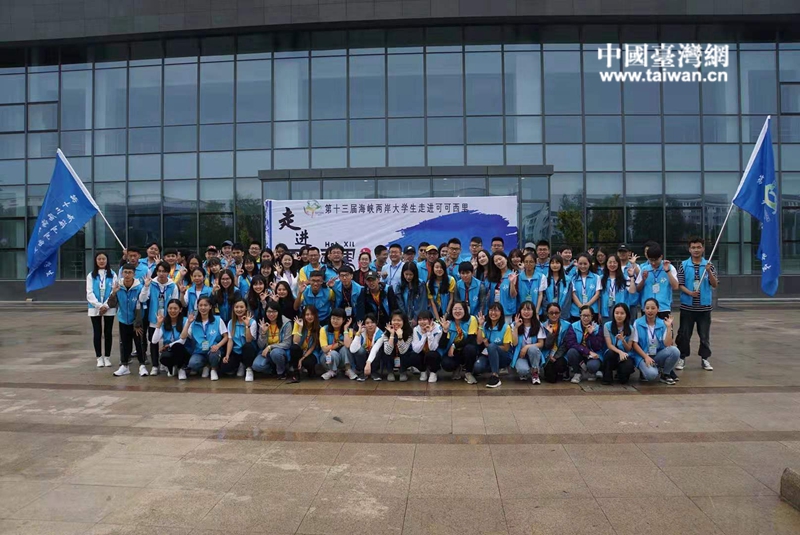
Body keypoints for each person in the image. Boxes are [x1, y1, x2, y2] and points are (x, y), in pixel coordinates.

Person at [675, 237, 718, 372]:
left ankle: (705, 358)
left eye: (699, 247)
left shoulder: (709, 265)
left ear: (703, 249)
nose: (696, 250)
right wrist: (690, 293)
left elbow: (714, 284)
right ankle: (682, 357)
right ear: (689, 249)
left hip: (704, 308)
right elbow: (680, 284)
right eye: (693, 247)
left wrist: (709, 271)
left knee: (704, 335)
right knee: (684, 334)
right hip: (687, 307)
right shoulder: (684, 265)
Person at [143, 261, 180, 375]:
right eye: (159, 271)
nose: (161, 273)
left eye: (164, 271)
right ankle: (155, 365)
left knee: (167, 340)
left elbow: (175, 302)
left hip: (168, 318)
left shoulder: (172, 286)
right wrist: (146, 286)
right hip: (154, 318)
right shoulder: (151, 283)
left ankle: (166, 363)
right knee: (153, 342)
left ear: (168, 272)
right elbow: (142, 299)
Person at [631, 298, 680, 385]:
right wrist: (646, 357)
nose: (650, 311)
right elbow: (634, 344)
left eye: (653, 308)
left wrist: (669, 327)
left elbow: (668, 344)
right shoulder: (637, 323)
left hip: (657, 355)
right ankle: (646, 369)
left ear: (658, 309)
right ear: (644, 309)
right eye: (647, 308)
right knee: (651, 375)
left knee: (675, 351)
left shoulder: (662, 323)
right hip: (643, 356)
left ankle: (665, 374)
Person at [112, 264, 149, 377]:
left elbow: (142, 301)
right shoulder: (118, 286)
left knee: (139, 343)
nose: (127, 275)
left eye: (130, 272)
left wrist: (137, 324)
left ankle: (142, 365)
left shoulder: (139, 287)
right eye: (125, 272)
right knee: (124, 343)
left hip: (137, 320)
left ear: (134, 274)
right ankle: (124, 366)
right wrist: (114, 293)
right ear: (122, 273)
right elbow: (111, 304)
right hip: (123, 320)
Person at [182, 296, 229, 381]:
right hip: (199, 351)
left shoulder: (218, 320)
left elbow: (226, 337)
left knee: (214, 354)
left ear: (210, 307)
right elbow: (183, 336)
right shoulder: (193, 322)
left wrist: (218, 346)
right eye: (200, 305)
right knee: (192, 363)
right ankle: (205, 366)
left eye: (205, 305)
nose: (203, 308)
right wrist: (188, 323)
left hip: (213, 350)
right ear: (197, 307)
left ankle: (213, 369)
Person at [87, 252, 118, 368]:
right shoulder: (91, 275)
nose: (101, 261)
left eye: (103, 259)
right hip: (94, 308)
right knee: (97, 332)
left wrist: (106, 305)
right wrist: (99, 306)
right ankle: (99, 357)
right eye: (99, 259)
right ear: (95, 261)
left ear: (107, 260)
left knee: (108, 332)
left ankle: (107, 357)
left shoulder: (113, 274)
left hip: (109, 307)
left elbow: (114, 291)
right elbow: (89, 293)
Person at [633, 244, 679, 319]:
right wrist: (643, 280)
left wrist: (667, 271)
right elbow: (638, 289)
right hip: (647, 308)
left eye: (656, 260)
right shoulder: (644, 269)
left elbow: (675, 286)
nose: (653, 263)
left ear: (661, 257)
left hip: (663, 308)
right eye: (651, 260)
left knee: (665, 326)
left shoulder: (669, 267)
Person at [473, 303, 513, 388]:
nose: (493, 313)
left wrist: (490, 346)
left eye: (496, 310)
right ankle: (494, 367)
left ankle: (495, 376)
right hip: (487, 355)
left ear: (501, 313)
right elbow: (479, 341)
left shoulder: (506, 327)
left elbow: (506, 348)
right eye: (491, 310)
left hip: (503, 356)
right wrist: (480, 325)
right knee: (477, 368)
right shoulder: (485, 325)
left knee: (492, 346)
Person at [439, 301, 479, 383]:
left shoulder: (472, 319)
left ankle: (468, 372)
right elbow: (442, 345)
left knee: (470, 348)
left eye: (460, 309)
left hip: (466, 349)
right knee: (446, 363)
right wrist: (445, 331)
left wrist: (454, 345)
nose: (457, 311)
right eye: (455, 309)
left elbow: (471, 339)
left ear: (465, 310)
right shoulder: (448, 322)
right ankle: (457, 367)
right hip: (453, 353)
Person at [564, 305, 605, 384]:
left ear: (592, 316)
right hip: (580, 353)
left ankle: (592, 372)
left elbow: (598, 346)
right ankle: (577, 373)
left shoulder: (597, 328)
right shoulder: (573, 326)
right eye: (583, 315)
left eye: (588, 316)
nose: (586, 318)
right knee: (571, 352)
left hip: (593, 355)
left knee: (593, 366)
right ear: (580, 316)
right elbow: (571, 343)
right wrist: (588, 352)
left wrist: (592, 334)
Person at [253, 300, 293, 378]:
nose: (271, 314)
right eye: (269, 312)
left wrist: (270, 347)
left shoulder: (286, 323)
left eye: (274, 311)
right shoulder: (263, 323)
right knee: (256, 366)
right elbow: (260, 346)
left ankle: (281, 371)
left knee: (275, 353)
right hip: (266, 352)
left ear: (279, 312)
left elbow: (287, 344)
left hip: (280, 351)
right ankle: (273, 369)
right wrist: (263, 333)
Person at [152, 298, 191, 379]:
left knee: (178, 346)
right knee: (164, 357)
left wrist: (169, 345)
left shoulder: (185, 321)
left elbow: (182, 340)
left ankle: (181, 369)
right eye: (170, 308)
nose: (172, 311)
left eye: (175, 308)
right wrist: (158, 324)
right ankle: (172, 367)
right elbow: (154, 341)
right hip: (170, 350)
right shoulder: (164, 322)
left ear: (180, 310)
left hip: (184, 350)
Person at [510, 301, 546, 384]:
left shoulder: (538, 325)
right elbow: (514, 343)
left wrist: (526, 347)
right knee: (522, 370)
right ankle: (526, 371)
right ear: (520, 311)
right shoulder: (513, 325)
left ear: (533, 312)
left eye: (529, 309)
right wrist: (516, 327)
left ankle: (535, 372)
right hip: (521, 356)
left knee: (533, 349)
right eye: (524, 309)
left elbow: (541, 344)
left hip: (534, 354)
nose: (526, 312)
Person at [375, 310, 416, 382]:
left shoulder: (409, 333)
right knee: (387, 348)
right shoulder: (386, 332)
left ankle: (403, 371)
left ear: (404, 321)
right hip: (391, 355)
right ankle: (390, 372)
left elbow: (403, 351)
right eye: (394, 320)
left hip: (403, 355)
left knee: (408, 352)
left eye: (399, 320)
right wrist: (392, 335)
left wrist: (400, 336)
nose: (396, 322)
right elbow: (387, 352)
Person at [602, 303, 637, 385]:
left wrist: (623, 340)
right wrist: (620, 352)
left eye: (622, 313)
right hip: (612, 353)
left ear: (626, 315)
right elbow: (609, 345)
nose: (619, 316)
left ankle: (621, 373)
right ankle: (607, 377)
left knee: (624, 379)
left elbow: (628, 348)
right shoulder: (607, 325)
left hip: (625, 355)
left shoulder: (631, 329)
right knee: (610, 353)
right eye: (616, 313)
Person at [319, 309, 358, 380]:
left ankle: (348, 369)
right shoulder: (324, 329)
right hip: (327, 358)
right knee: (332, 353)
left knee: (345, 349)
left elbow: (347, 345)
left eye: (338, 319)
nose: (335, 321)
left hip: (343, 359)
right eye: (333, 318)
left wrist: (345, 329)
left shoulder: (349, 330)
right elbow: (324, 349)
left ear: (343, 320)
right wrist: (340, 343)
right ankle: (332, 371)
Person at [288, 306, 322, 383]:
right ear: (303, 315)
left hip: (309, 352)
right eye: (307, 314)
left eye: (312, 314)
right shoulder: (298, 323)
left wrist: (302, 358)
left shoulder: (318, 327)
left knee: (308, 362)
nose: (309, 317)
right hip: (299, 350)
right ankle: (296, 372)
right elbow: (295, 342)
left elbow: (313, 346)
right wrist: (300, 327)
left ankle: (311, 371)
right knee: (294, 348)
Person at [346, 313, 384, 381]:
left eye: (372, 322)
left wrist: (368, 363)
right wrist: (358, 333)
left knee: (378, 351)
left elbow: (375, 349)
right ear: (364, 325)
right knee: (360, 351)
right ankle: (362, 372)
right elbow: (352, 349)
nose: (370, 325)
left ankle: (374, 372)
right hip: (364, 356)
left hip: (373, 357)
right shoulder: (362, 332)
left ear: (376, 323)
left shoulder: (380, 334)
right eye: (367, 323)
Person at [540, 303, 570, 383]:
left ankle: (564, 371)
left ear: (560, 313)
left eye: (556, 313)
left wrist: (556, 356)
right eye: (551, 313)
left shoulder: (567, 325)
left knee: (560, 365)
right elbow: (546, 346)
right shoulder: (542, 326)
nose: (554, 315)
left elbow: (565, 344)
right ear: (547, 313)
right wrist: (550, 335)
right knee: (551, 379)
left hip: (561, 354)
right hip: (547, 355)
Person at [485, 251, 518, 323]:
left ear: (506, 258)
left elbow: (513, 295)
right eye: (496, 261)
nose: (499, 262)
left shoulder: (513, 274)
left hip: (506, 310)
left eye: (500, 259)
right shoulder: (492, 276)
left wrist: (512, 283)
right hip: (493, 310)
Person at [410, 310, 442, 383]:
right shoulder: (416, 329)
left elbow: (433, 348)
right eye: (420, 320)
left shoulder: (438, 329)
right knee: (413, 355)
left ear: (431, 320)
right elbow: (416, 349)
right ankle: (423, 371)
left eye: (425, 319)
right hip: (422, 351)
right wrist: (424, 335)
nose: (422, 322)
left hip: (434, 353)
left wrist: (429, 333)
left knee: (432, 354)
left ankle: (433, 372)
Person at [570, 253, 602, 322]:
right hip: (576, 312)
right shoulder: (573, 278)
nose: (583, 266)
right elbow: (573, 294)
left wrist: (587, 306)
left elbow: (597, 294)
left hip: (592, 311)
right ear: (577, 264)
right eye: (580, 264)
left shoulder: (596, 277)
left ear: (589, 264)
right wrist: (581, 307)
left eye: (585, 264)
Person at [599, 254, 629, 324]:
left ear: (618, 264)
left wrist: (632, 276)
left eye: (614, 262)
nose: (612, 264)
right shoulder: (601, 278)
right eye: (610, 262)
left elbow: (632, 291)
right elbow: (599, 297)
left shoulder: (625, 278)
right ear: (606, 264)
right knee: (606, 328)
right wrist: (599, 312)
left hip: (620, 309)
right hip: (605, 309)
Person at [541, 255, 572, 320]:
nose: (555, 265)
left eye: (557, 263)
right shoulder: (545, 279)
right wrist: (549, 312)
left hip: (563, 314)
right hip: (548, 314)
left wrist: (561, 313)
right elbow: (543, 298)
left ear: (561, 264)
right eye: (552, 263)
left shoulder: (568, 280)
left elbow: (568, 299)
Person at [617, 244, 641, 318]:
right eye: (620, 252)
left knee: (631, 323)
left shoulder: (635, 265)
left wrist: (633, 263)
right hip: (618, 301)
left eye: (624, 251)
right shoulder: (615, 266)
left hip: (631, 302)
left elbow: (640, 277)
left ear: (629, 253)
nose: (622, 253)